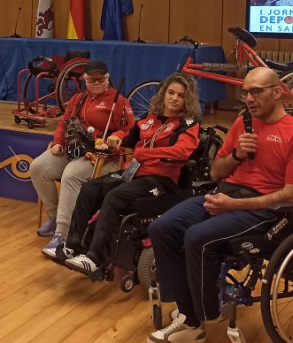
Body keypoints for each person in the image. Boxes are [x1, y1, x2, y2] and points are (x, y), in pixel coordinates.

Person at [146, 66, 293, 343]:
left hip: (265, 210)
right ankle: (188, 309)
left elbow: (292, 193)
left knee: (196, 237)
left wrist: (235, 204)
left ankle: (197, 319)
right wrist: (237, 154)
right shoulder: (242, 124)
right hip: (225, 193)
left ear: (277, 92)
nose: (249, 98)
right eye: (245, 92)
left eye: (256, 92)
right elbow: (215, 172)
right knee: (162, 227)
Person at [61, 73, 201, 276]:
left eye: (181, 95)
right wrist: (117, 137)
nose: (174, 98)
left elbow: (182, 152)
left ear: (187, 99)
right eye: (171, 92)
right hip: (133, 172)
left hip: (160, 180)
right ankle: (73, 246)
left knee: (115, 196)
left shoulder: (188, 124)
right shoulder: (149, 118)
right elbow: (128, 135)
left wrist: (146, 154)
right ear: (164, 93)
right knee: (90, 188)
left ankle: (94, 258)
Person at [30, 59, 135, 259]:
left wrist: (117, 136)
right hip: (74, 149)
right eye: (92, 80)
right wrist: (58, 141)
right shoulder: (77, 99)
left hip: (103, 157)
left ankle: (63, 233)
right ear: (84, 79)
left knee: (71, 175)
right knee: (38, 167)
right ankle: (54, 217)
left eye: (101, 79)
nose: (97, 83)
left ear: (108, 78)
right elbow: (64, 122)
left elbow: (130, 129)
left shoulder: (119, 101)